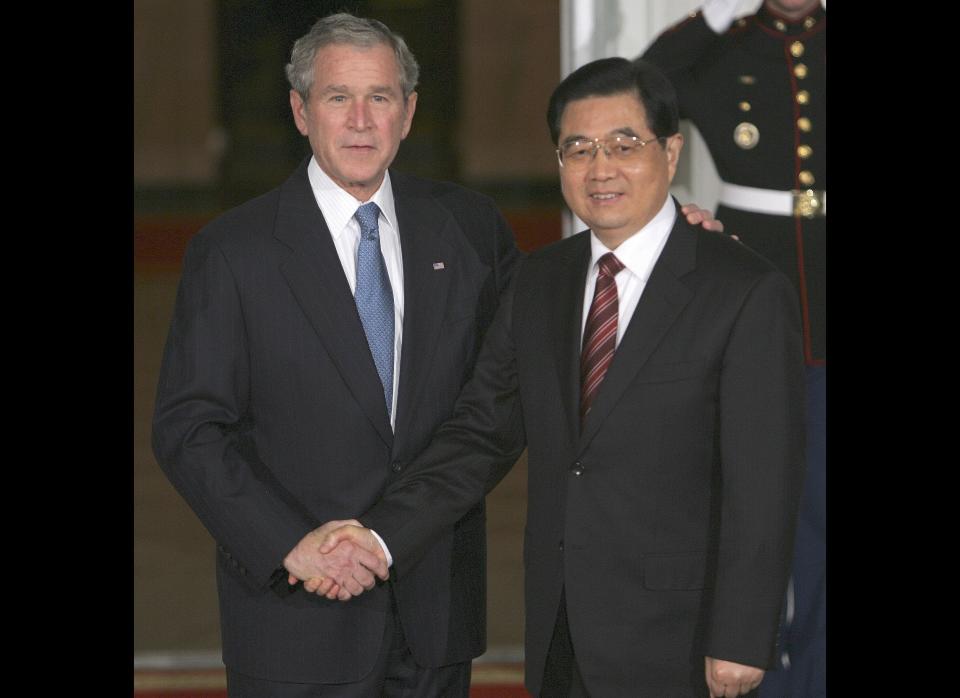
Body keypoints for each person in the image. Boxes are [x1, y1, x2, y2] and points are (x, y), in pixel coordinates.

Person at [151, 12, 724, 697]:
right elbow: (188, 428)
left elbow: (555, 319)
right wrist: (291, 546)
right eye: (339, 98)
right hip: (295, 617)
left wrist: (655, 242)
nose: (361, 121)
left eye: (382, 97)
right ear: (302, 111)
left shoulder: (470, 228)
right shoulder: (233, 252)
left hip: (434, 617)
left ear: (410, 111)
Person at [316, 57, 806, 698]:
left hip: (684, 640)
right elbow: (480, 435)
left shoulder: (743, 291)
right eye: (578, 149)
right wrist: (379, 538)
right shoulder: (538, 281)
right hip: (561, 631)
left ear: (672, 151)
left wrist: (740, 638)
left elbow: (763, 486)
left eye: (625, 145)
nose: (601, 168)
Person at [642, 3, 825, 695]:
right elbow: (641, 90)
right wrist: (714, 16)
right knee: (746, 503)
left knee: (821, 515)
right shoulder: (723, 46)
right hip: (750, 275)